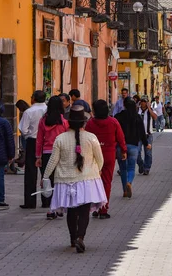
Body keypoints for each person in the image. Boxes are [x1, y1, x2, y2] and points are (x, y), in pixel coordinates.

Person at [42, 105, 106, 253]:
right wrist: (97, 169)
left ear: (68, 122)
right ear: (84, 122)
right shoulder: (91, 138)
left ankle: (72, 238)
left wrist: (45, 177)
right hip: (87, 180)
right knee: (84, 211)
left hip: (66, 181)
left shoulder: (60, 139)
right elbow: (100, 159)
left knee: (71, 211)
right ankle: (80, 237)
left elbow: (53, 160)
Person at [86, 100, 127, 217]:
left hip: (93, 156)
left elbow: (86, 138)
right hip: (109, 155)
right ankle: (103, 209)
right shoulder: (113, 122)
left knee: (94, 182)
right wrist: (124, 150)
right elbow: (120, 137)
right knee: (106, 183)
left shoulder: (90, 123)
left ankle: (95, 207)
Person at [35, 96, 69, 219]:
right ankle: (59, 207)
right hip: (61, 154)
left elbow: (39, 140)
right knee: (60, 181)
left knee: (47, 180)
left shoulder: (43, 121)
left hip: (46, 153)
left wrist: (38, 156)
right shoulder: (64, 122)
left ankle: (50, 209)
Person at [18, 90, 47, 209]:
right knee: (46, 171)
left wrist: (28, 135)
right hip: (46, 142)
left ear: (33, 98)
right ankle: (47, 200)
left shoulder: (29, 112)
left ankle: (30, 201)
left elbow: (23, 129)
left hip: (33, 141)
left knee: (31, 172)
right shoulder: (48, 110)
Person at [115, 98, 146, 198]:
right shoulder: (137, 117)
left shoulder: (118, 117)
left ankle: (125, 190)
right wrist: (146, 143)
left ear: (124, 105)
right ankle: (129, 182)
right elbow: (142, 132)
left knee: (123, 169)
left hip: (121, 146)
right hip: (133, 145)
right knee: (131, 168)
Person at [137, 96, 157, 175]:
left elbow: (155, 117)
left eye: (145, 101)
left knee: (148, 153)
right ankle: (141, 164)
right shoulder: (137, 110)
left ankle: (147, 168)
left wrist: (149, 108)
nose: (143, 103)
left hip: (148, 135)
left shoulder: (150, 110)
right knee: (137, 152)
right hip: (138, 136)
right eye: (142, 101)